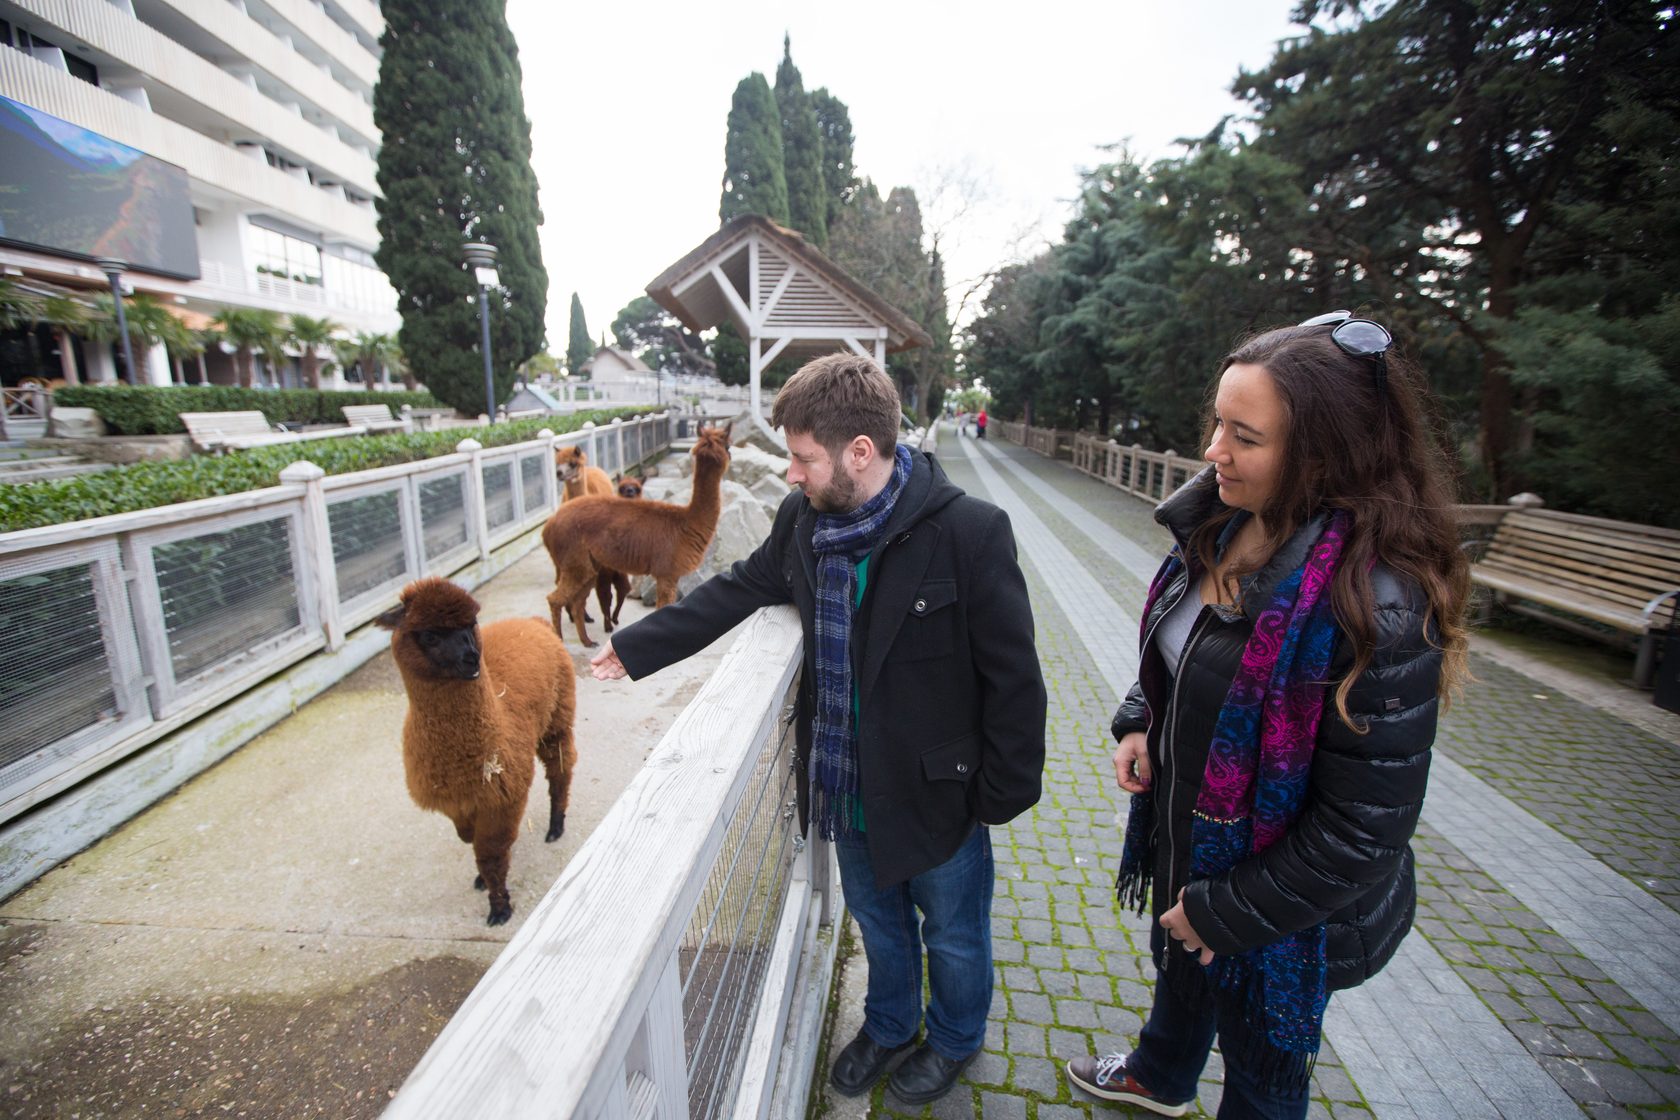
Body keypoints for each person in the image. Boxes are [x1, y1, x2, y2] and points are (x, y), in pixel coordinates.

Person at [591, 352, 1047, 1106]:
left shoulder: (968, 532)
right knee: (878, 919)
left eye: (803, 458)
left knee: (956, 935)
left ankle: (957, 1038)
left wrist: (1001, 792)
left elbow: (1015, 680)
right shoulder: (802, 522)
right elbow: (742, 586)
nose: (793, 473)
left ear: (858, 453)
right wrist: (639, 645)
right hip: (844, 780)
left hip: (940, 793)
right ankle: (892, 1023)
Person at [1064, 312, 1470, 1119]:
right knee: (1181, 962)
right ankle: (1162, 1073)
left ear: (1321, 454)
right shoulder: (1221, 518)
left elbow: (1364, 831)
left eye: (1243, 435)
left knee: (1263, 1068)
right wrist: (1139, 717)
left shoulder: (1380, 606)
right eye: (1217, 421)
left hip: (1285, 905)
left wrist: (1230, 909)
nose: (1214, 449)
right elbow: (1183, 655)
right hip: (1194, 839)